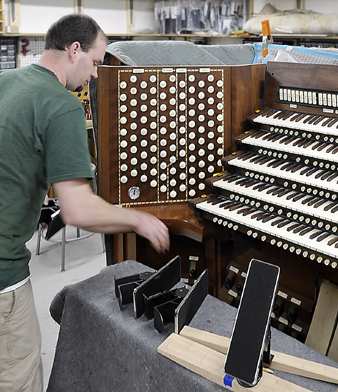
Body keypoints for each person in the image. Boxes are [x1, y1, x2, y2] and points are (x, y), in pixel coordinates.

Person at [0, 14, 170, 392]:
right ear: (74, 49)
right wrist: (140, 220)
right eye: (95, 62)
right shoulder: (62, 106)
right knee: (19, 376)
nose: (95, 74)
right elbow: (78, 210)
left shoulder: (7, 80)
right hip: (4, 278)